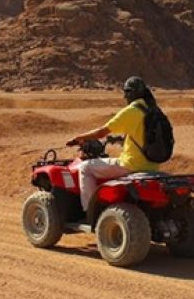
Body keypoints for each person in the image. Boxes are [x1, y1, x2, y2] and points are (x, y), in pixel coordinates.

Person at [66, 76, 160, 212]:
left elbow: (101, 132)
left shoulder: (132, 111)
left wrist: (77, 138)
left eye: (126, 93)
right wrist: (119, 140)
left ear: (131, 94)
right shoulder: (154, 110)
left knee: (85, 168)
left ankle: (91, 211)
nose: (125, 97)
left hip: (131, 165)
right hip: (153, 166)